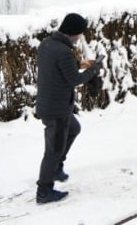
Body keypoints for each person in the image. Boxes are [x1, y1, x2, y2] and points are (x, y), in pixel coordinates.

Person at [36, 13, 102, 205]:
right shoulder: (64, 52)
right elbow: (74, 80)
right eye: (80, 34)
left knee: (74, 129)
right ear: (72, 33)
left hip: (49, 104)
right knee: (53, 150)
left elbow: (58, 67)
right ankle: (44, 191)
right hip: (57, 109)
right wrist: (93, 70)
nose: (80, 37)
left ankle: (56, 168)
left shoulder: (47, 44)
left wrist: (80, 64)